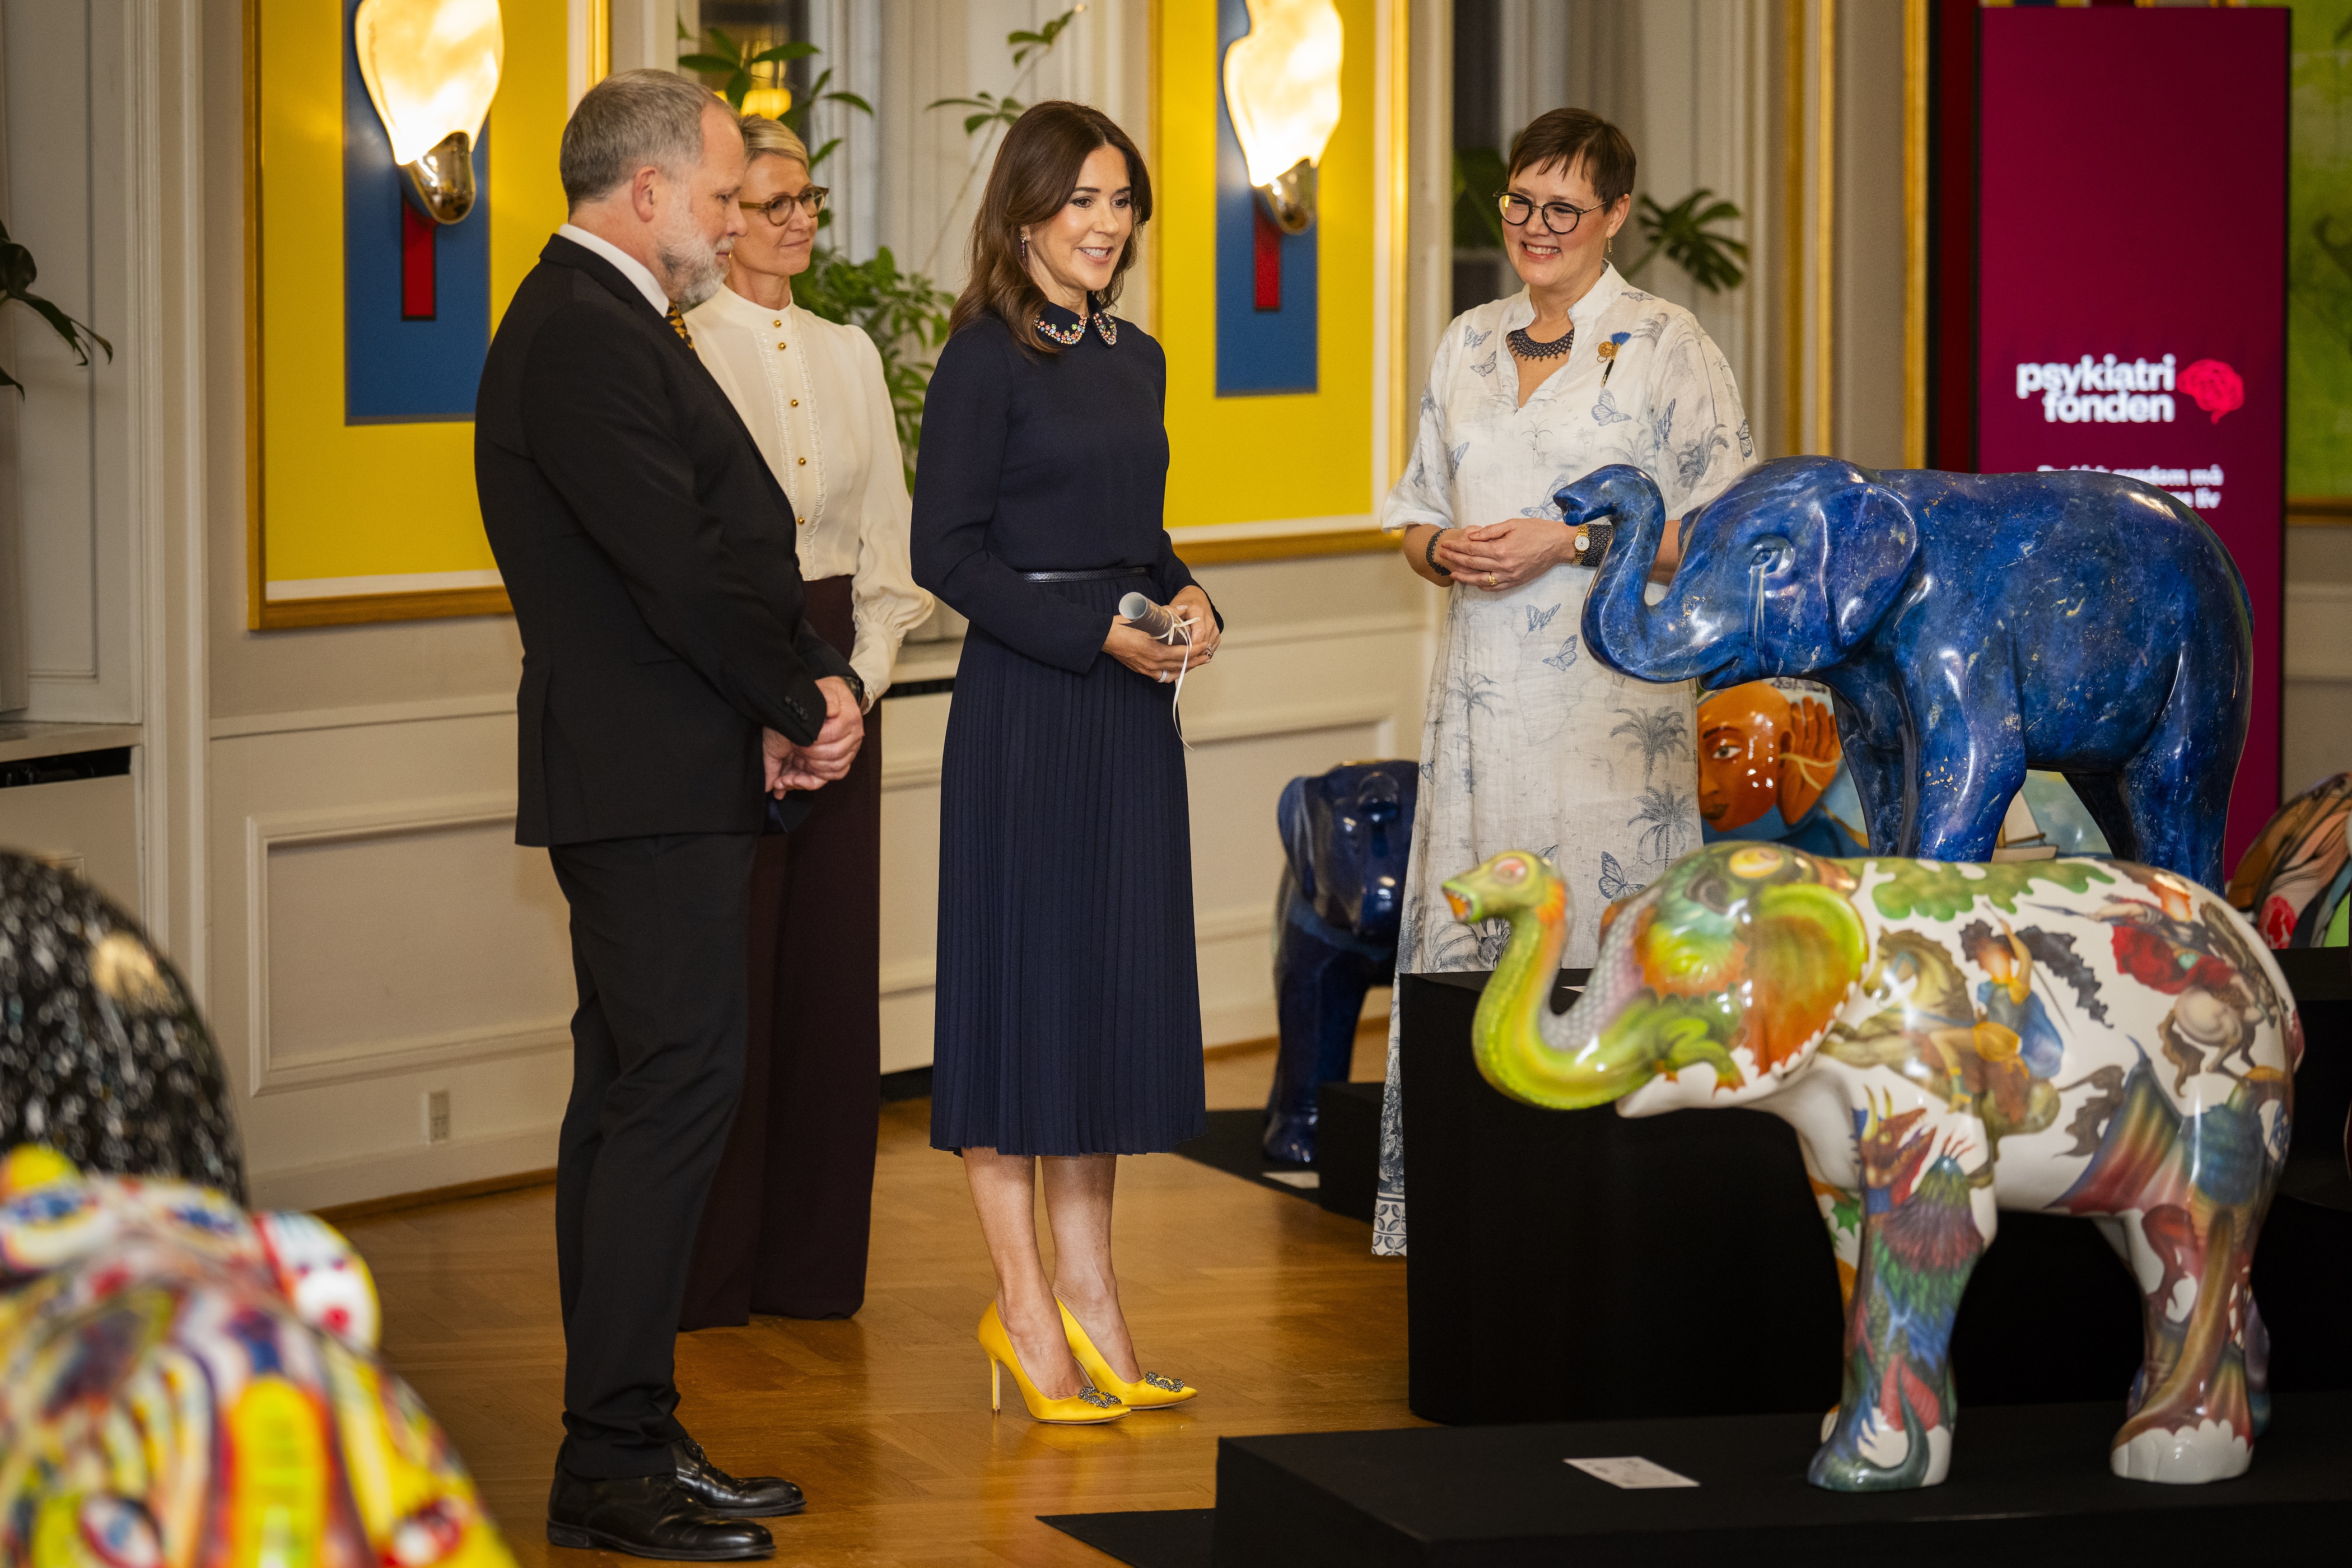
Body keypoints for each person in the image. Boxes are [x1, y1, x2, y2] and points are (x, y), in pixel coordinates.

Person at [475, 69, 864, 1560]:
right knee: (670, 1097)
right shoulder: (580, 332)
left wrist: (784, 691)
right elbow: (677, 566)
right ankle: (616, 1456)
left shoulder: (604, 324)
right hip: (648, 774)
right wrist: (800, 696)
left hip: (661, 763)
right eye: (715, 193)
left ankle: (624, 1435)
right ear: (643, 194)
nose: (728, 218)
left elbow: (708, 545)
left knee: (633, 1096)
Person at [1375, 108, 1752, 1257]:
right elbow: (1416, 514)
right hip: (1482, 708)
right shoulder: (1469, 340)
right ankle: (1478, 1220)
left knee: (1605, 949)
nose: (1537, 229)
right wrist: (1443, 552)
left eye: (1563, 209)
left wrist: (1575, 543)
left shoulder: (1667, 341)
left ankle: (1617, 1230)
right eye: (1522, 205)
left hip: (1610, 718)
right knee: (1475, 956)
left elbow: (1724, 526)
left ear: (1617, 217)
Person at [911, 101, 1212, 1424]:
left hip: (1129, 713)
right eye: (1083, 200)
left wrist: (1192, 597)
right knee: (1017, 1002)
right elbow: (946, 555)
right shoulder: (981, 361)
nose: (1106, 224)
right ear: (1027, 211)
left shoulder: (1135, 356)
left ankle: (1094, 1299)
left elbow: (1138, 536)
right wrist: (1093, 633)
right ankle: (1025, 1308)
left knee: (1093, 1005)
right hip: (1029, 707)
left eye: (1122, 200)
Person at [678, 114, 932, 1329]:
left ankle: (812, 1270)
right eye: (771, 200)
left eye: (808, 201)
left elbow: (890, 550)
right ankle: (709, 1274)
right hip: (723, 679)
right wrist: (776, 696)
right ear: (723, 217)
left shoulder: (851, 355)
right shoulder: (676, 346)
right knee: (733, 974)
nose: (795, 221)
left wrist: (857, 687)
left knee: (830, 982)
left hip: (839, 673)